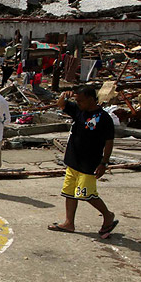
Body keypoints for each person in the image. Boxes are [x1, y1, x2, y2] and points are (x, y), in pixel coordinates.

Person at [49, 85, 118, 238]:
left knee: (86, 194)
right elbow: (61, 104)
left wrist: (104, 163)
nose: (78, 103)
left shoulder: (103, 118)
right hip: (73, 160)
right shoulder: (79, 111)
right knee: (69, 192)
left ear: (91, 99)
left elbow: (109, 141)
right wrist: (64, 96)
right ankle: (69, 223)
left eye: (80, 100)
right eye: (76, 100)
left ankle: (108, 215)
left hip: (89, 163)